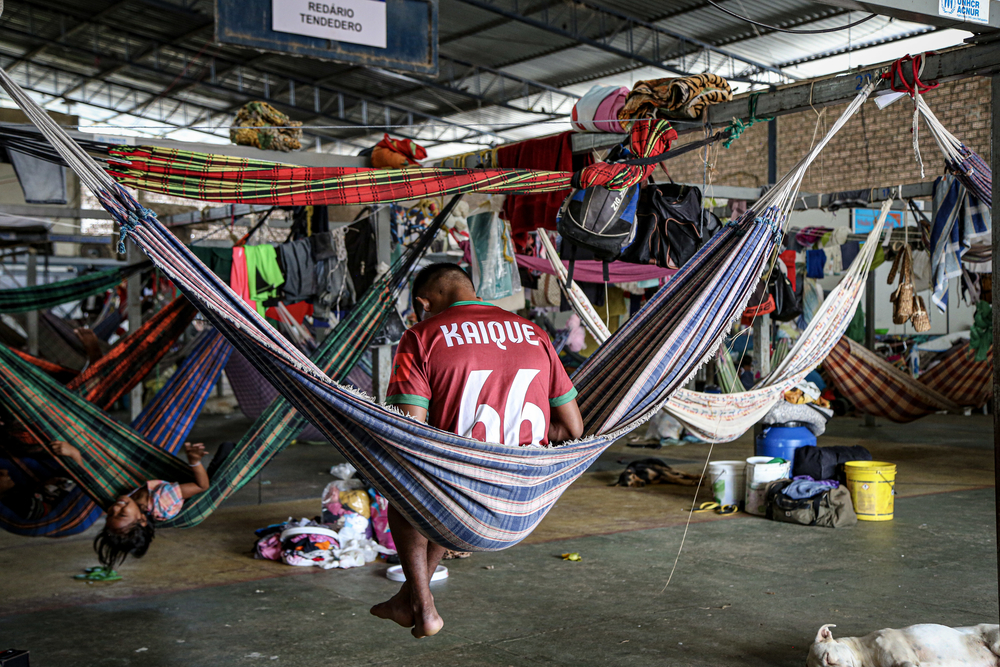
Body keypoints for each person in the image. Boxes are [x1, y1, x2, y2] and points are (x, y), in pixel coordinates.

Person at [371, 263, 583, 638]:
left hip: (463, 494)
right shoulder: (534, 333)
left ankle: (422, 604)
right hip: (523, 502)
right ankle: (407, 600)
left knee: (405, 483)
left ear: (423, 303)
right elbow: (572, 429)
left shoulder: (421, 336)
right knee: (443, 487)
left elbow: (410, 435)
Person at [51, 440, 224, 570]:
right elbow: (202, 486)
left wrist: (75, 456)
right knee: (226, 454)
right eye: (122, 514)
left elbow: (92, 484)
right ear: (142, 520)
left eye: (110, 514)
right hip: (203, 484)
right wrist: (194, 461)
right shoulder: (163, 499)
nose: (115, 508)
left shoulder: (125, 505)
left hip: (163, 485)